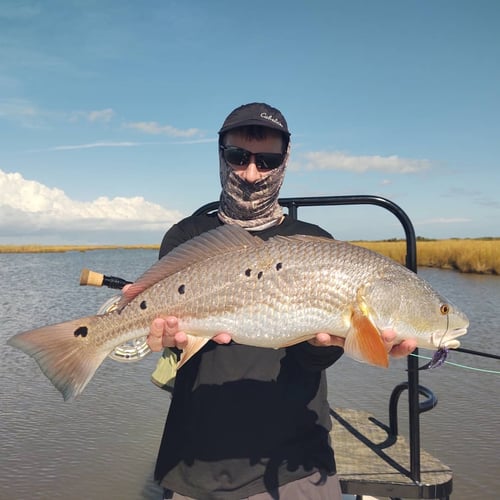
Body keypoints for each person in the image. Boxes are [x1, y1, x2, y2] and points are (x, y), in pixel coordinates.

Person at [143, 103, 416, 500]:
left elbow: (315, 357)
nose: (251, 174)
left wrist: (326, 348)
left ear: (285, 160)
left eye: (267, 160)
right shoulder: (186, 236)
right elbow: (167, 340)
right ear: (219, 154)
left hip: (294, 460)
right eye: (238, 157)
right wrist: (164, 339)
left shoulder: (317, 242)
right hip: (197, 456)